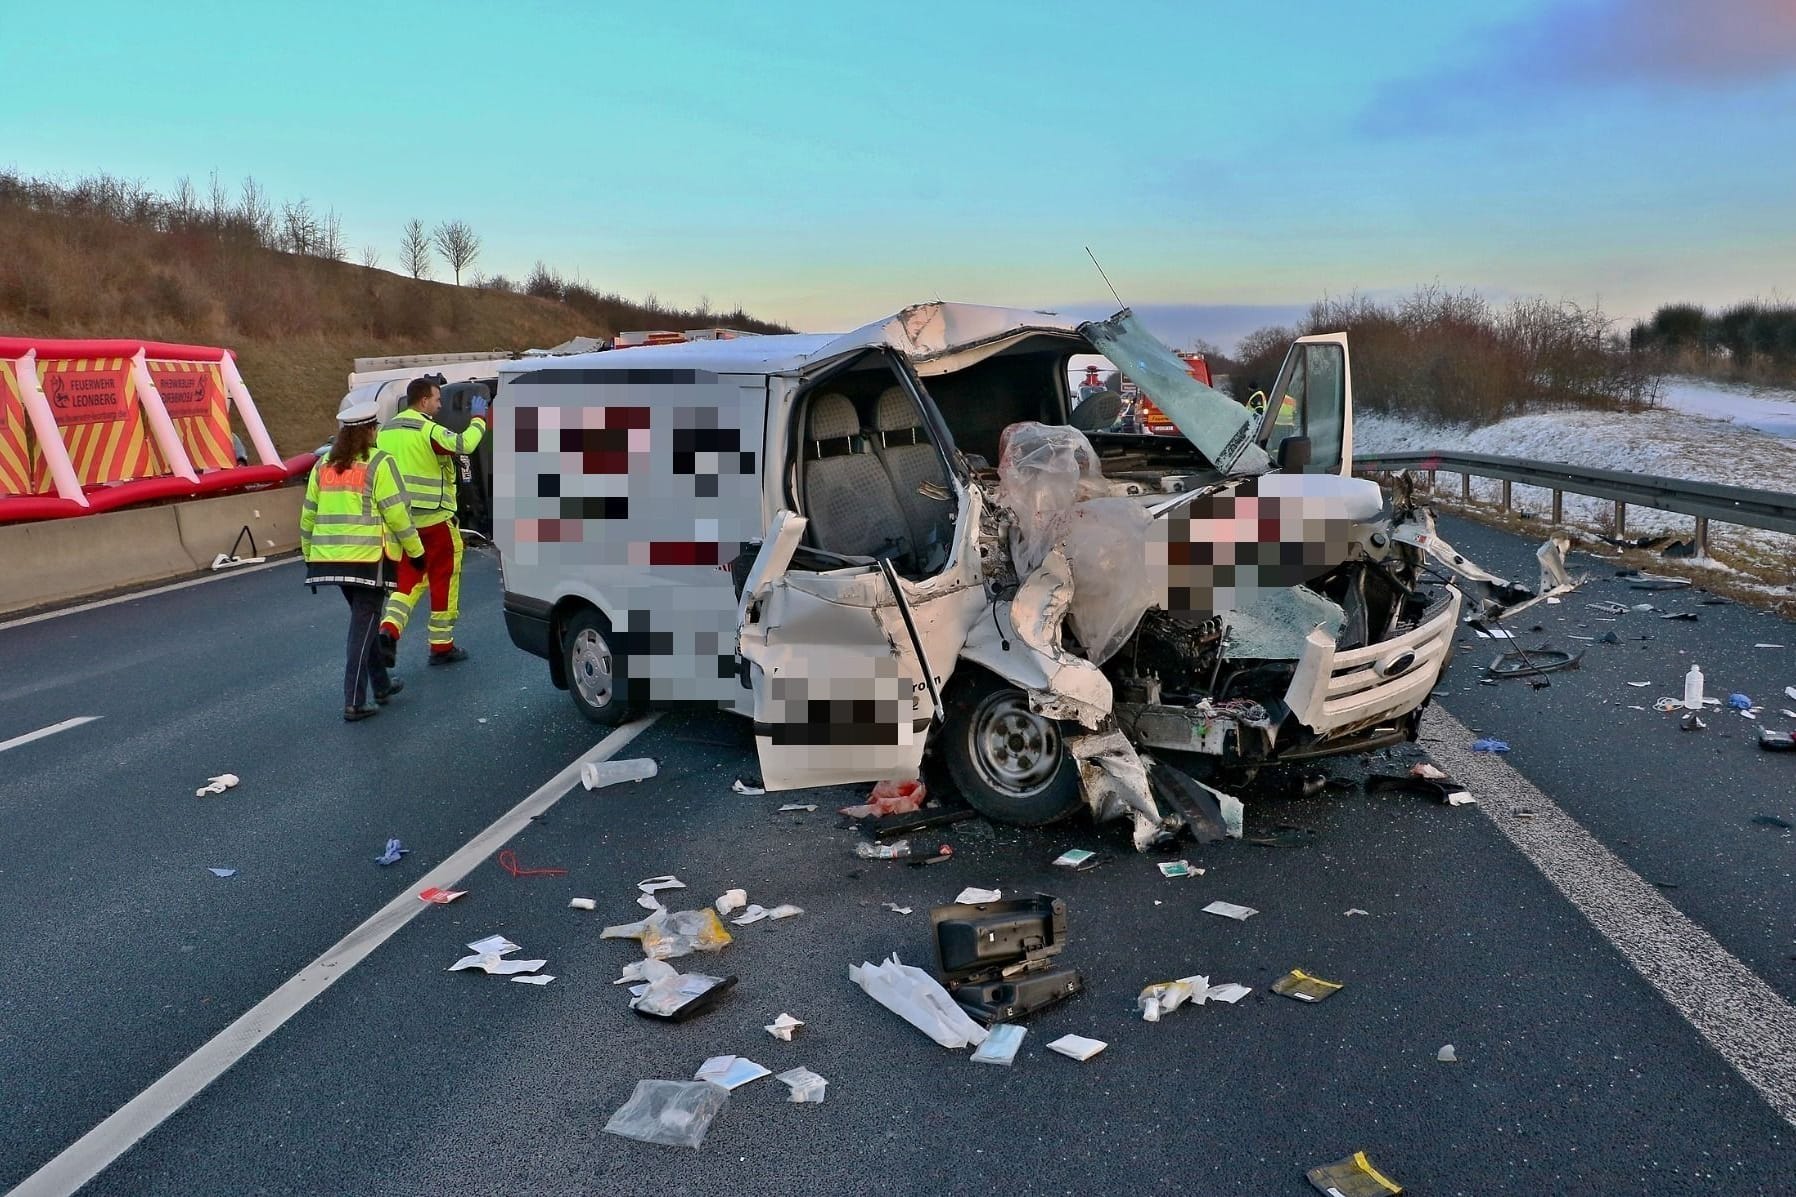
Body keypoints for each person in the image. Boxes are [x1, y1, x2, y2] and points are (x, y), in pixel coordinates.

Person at [299, 401, 426, 721]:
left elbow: (309, 513)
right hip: (369, 558)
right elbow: (398, 513)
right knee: (362, 626)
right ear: (370, 430)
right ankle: (354, 700)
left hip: (331, 560)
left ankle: (381, 684)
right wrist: (416, 551)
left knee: (365, 621)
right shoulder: (379, 463)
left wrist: (308, 553)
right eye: (376, 428)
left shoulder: (323, 464)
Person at [377, 377, 489, 666]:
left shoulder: (385, 431)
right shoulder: (428, 430)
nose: (440, 406)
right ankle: (442, 646)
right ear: (424, 401)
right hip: (436, 520)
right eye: (437, 400)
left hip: (401, 522)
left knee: (408, 580)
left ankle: (388, 630)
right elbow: (464, 445)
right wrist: (478, 419)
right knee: (443, 578)